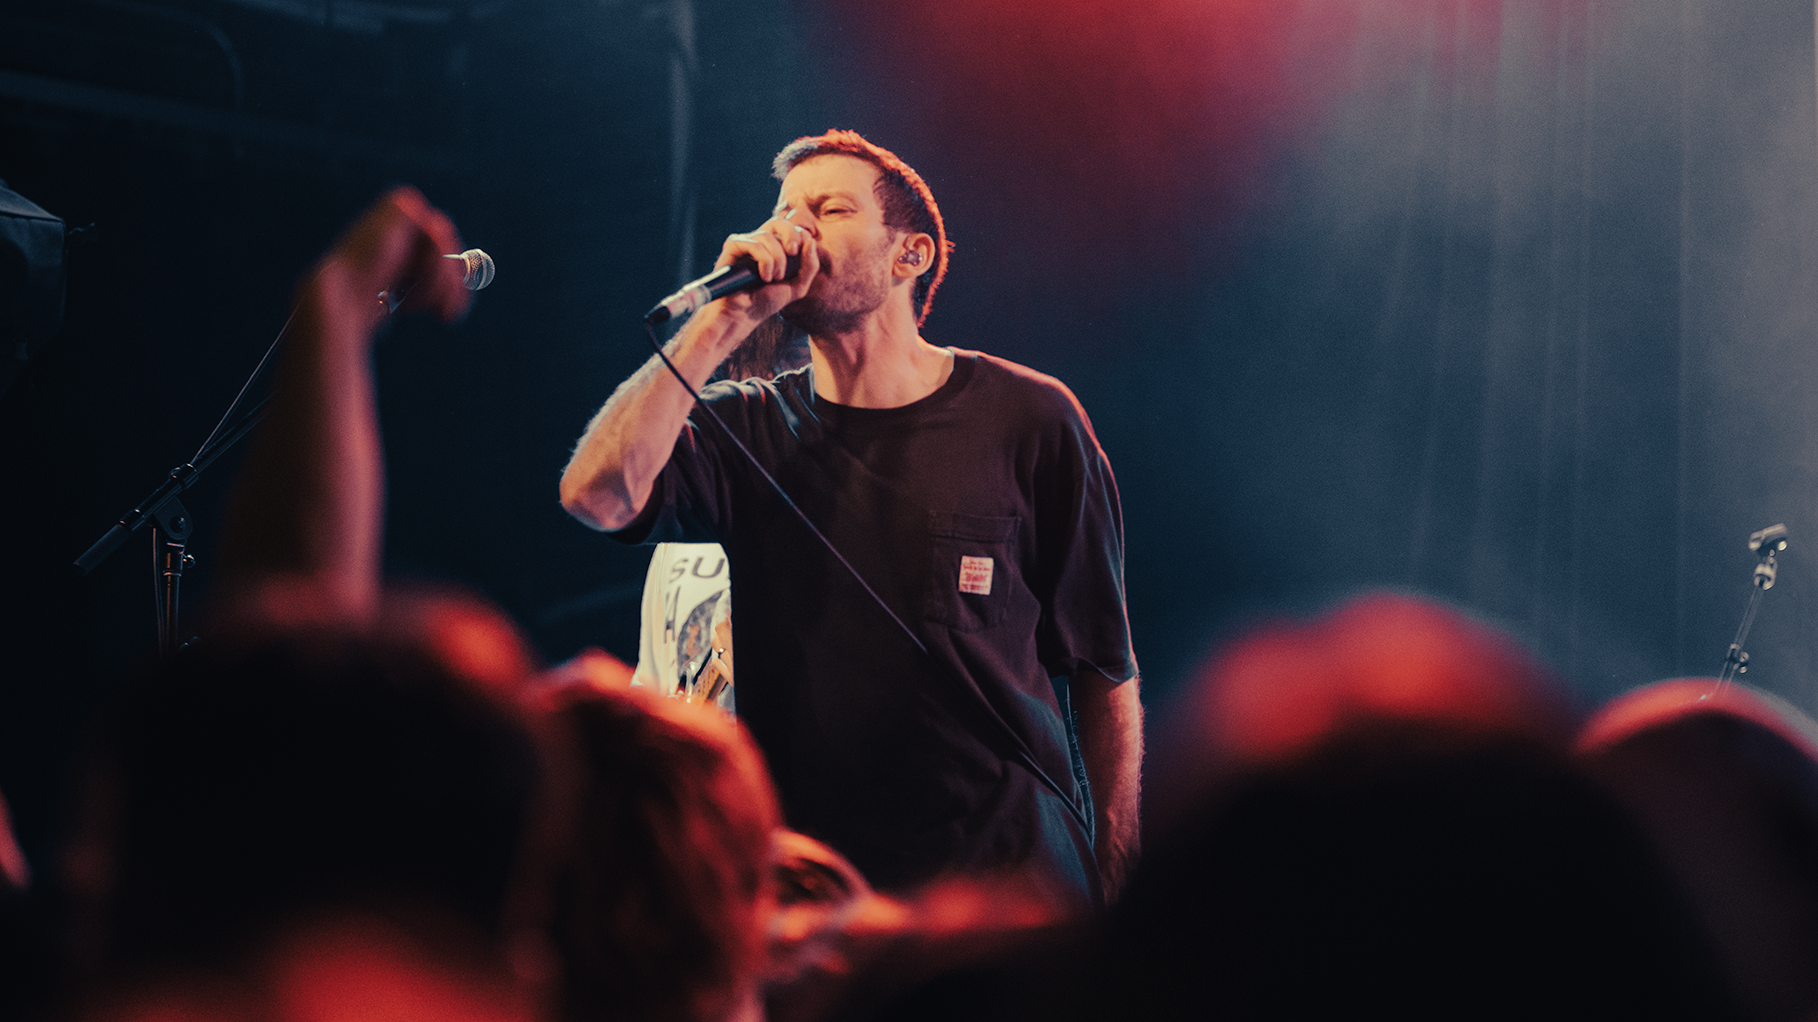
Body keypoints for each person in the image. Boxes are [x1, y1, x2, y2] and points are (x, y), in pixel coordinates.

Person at [560, 130, 1141, 906]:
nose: (793, 230)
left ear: (912, 256)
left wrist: (1119, 876)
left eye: (828, 209)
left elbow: (1104, 667)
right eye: (783, 211)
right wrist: (722, 322)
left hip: (1006, 888)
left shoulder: (1029, 417)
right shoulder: (744, 429)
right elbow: (596, 496)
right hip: (823, 907)